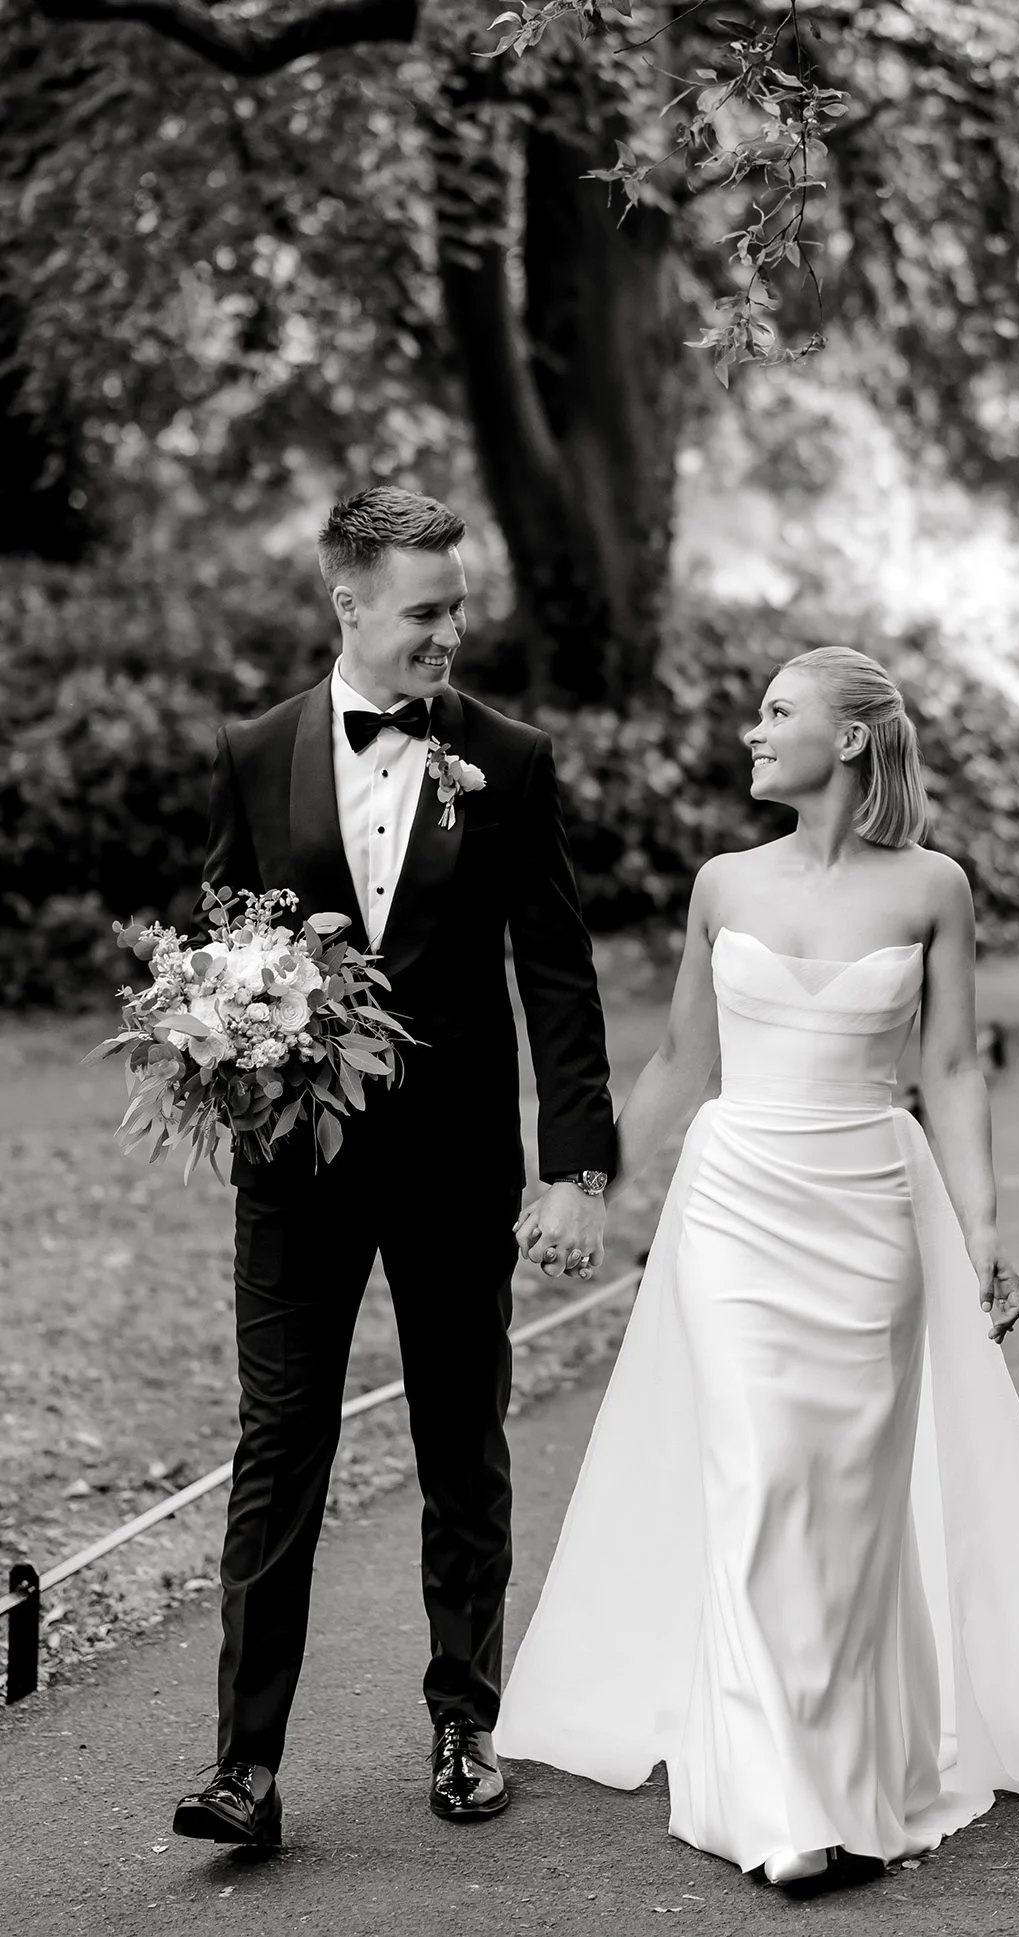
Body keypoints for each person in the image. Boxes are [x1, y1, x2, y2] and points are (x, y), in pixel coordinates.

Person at [497, 645, 1019, 1886]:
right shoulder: (722, 883)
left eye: (777, 713)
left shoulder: (932, 886)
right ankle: (780, 1807)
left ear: (850, 739)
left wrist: (980, 1228)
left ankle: (856, 1766)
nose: (751, 732)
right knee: (763, 1479)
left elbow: (950, 1070)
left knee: (852, 1503)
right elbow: (678, 1061)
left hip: (871, 1208)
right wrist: (581, 1184)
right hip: (733, 1210)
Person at [172, 486, 617, 1850]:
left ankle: (463, 1723)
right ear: (347, 602)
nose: (448, 634)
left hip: (452, 1163)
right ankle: (243, 1766)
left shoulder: (510, 760)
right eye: (424, 611)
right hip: (292, 1175)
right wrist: (219, 1039)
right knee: (277, 1446)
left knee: (457, 1439)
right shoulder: (254, 753)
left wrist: (573, 1169)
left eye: (456, 608)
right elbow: (219, 940)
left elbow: (555, 971)